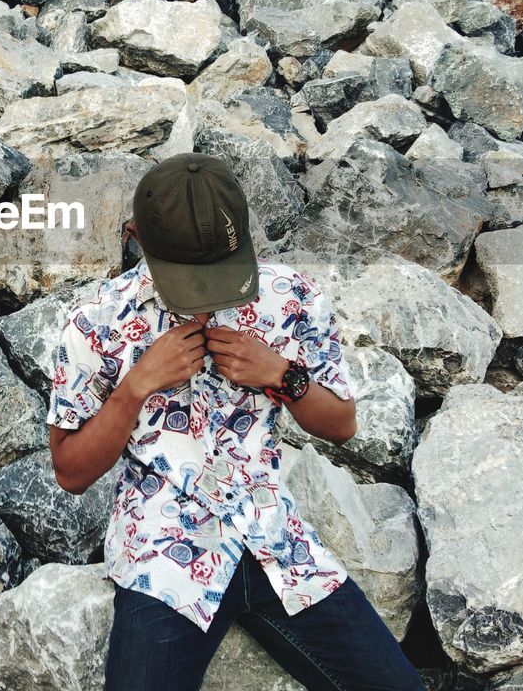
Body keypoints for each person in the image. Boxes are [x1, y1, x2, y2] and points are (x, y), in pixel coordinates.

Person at [46, 152, 425, 691]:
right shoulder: (95, 321)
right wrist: (136, 387)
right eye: (188, 280)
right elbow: (70, 471)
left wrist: (281, 374)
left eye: (219, 276)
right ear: (135, 238)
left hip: (275, 535)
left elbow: (342, 424)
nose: (205, 299)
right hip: (164, 552)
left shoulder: (288, 298)